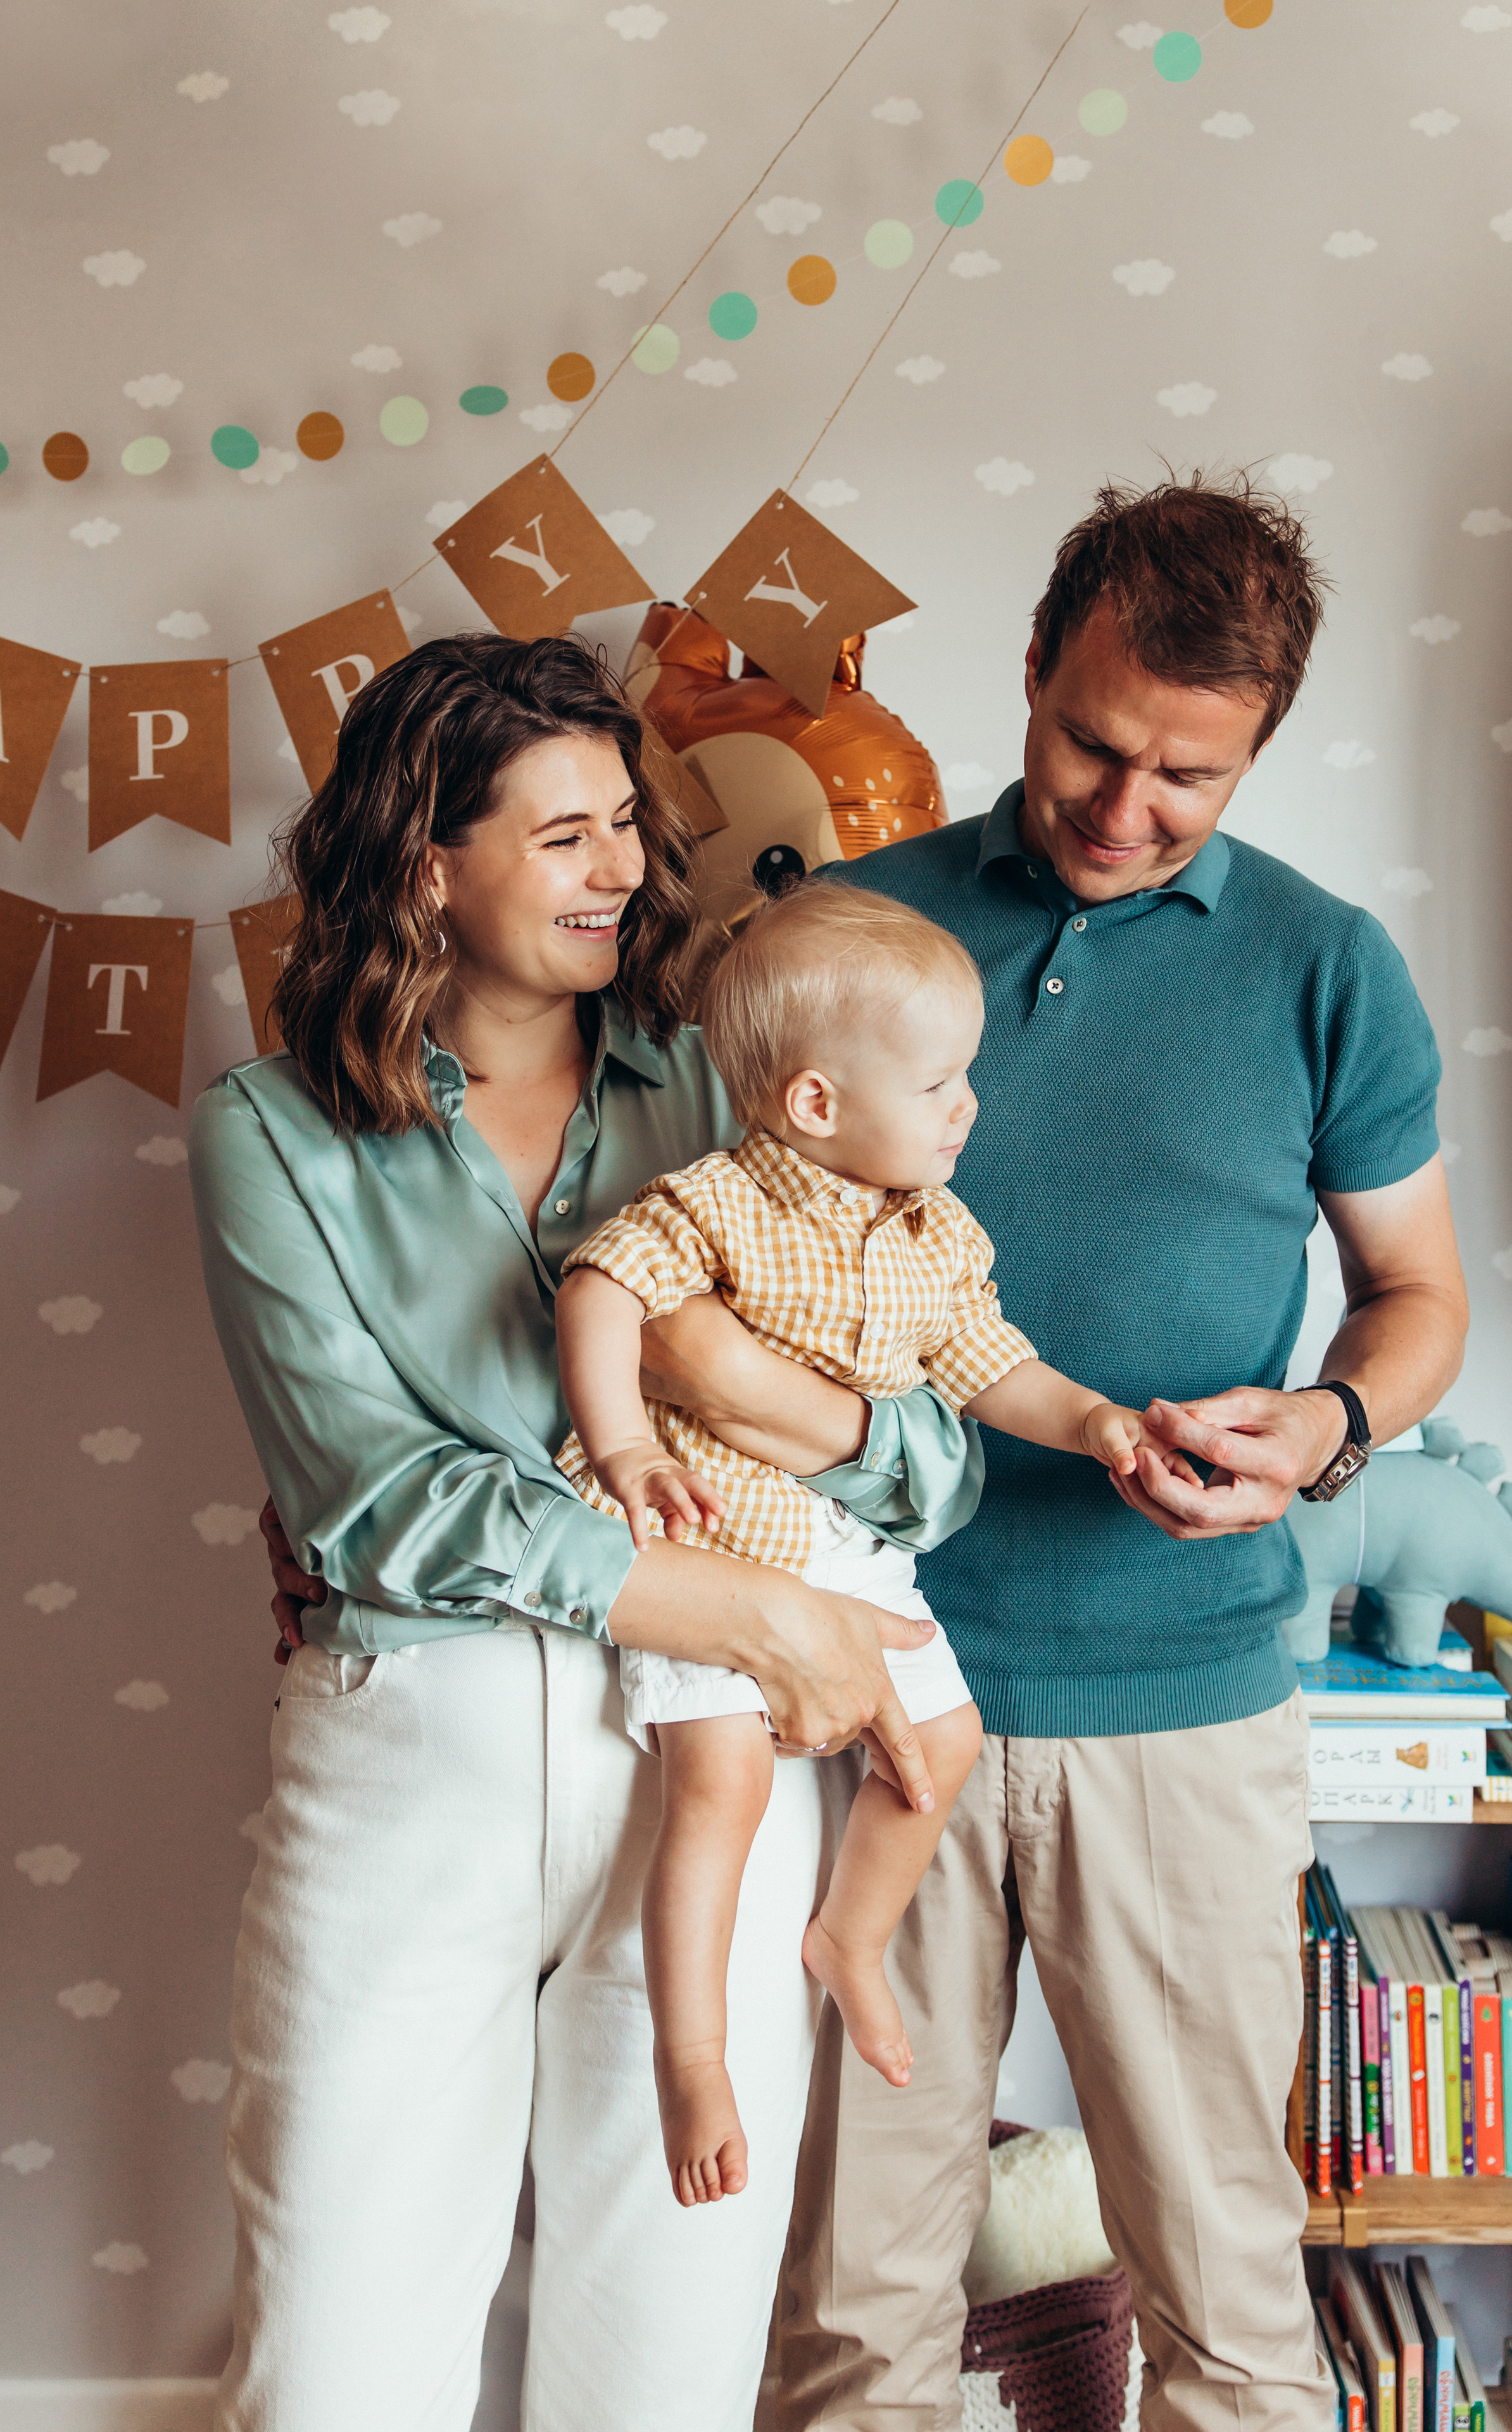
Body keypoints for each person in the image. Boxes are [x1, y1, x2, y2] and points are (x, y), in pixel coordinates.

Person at [189, 633, 983, 2432]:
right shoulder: (272, 1134)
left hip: (717, 1769)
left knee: (669, 2353)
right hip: (425, 1750)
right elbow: (369, 1497)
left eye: (627, 822)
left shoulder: (730, 1082)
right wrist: (744, 1605)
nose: (627, 866)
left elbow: (936, 1453)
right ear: (425, 864)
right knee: (337, 2360)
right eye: (565, 835)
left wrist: (774, 1409)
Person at [770, 474, 1470, 2431]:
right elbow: (722, 1280)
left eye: (1190, 776)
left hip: (1184, 1708)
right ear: (1031, 667)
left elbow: (1416, 1292)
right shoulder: (855, 929)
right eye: (1092, 741)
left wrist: (1326, 1425)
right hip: (874, 1691)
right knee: (851, 2307)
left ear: (1256, 754)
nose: (1125, 807)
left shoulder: (1328, 969)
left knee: (1227, 2301)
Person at [553, 883, 1146, 2208]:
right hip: (713, 1534)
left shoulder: (937, 1233)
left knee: (940, 1749)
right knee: (721, 1786)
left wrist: (1096, 1420)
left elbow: (991, 1369)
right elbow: (600, 1291)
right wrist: (623, 1449)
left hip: (844, 1542)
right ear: (814, 1104)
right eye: (939, 1082)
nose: (966, 1106)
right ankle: (691, 2055)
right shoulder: (714, 1201)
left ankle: (848, 1938)